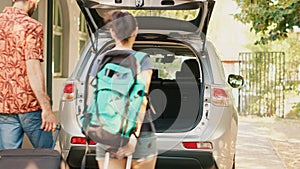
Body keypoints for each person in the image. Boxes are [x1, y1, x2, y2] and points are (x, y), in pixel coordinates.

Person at [89, 11, 157, 169]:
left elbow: (91, 99)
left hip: (107, 132)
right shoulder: (142, 60)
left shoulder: (100, 60)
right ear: (136, 31)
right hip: (141, 135)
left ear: (112, 32)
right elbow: (141, 100)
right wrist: (133, 138)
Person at [0, 0, 57, 150]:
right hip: (29, 106)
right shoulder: (31, 26)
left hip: (4, 107)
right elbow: (33, 68)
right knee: (47, 157)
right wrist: (46, 108)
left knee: (8, 161)